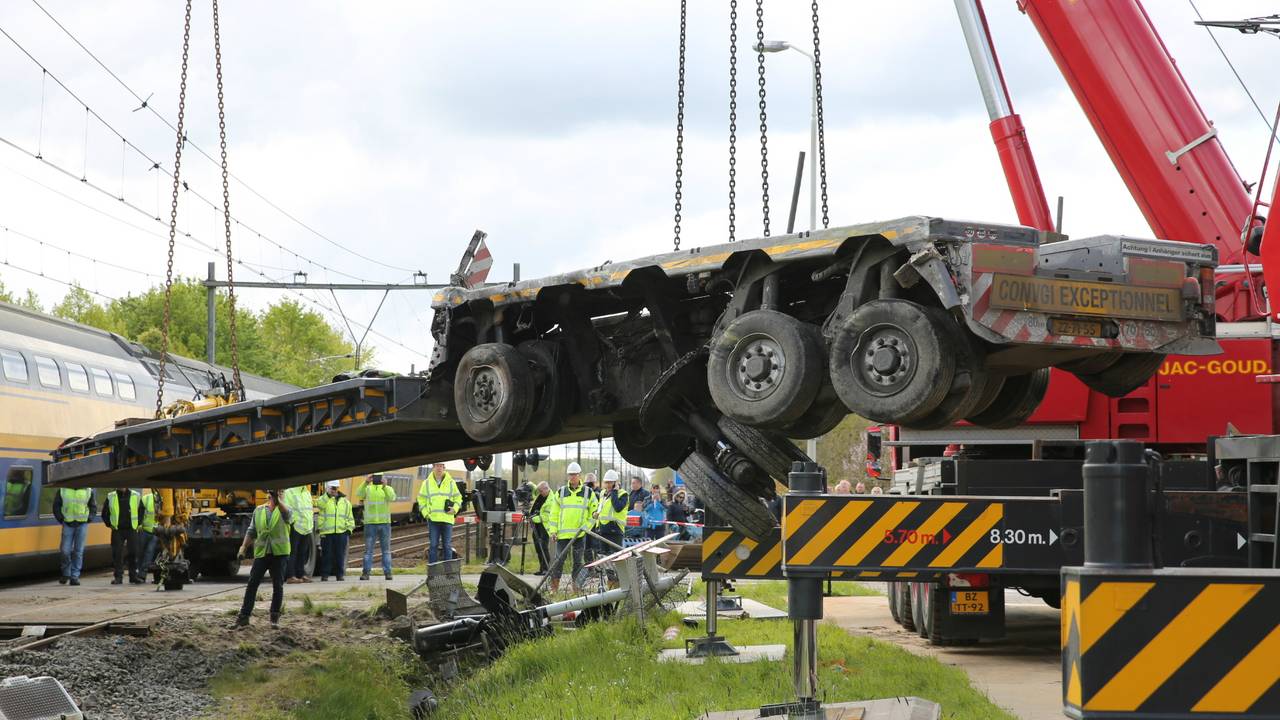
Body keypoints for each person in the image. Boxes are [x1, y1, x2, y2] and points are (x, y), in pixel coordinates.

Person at [234, 490, 292, 628]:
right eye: (276, 493)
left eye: (280, 492)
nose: (279, 495)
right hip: (262, 554)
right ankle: (244, 617)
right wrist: (243, 548)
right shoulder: (259, 510)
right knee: (252, 584)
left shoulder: (286, 510)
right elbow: (252, 531)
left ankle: (274, 618)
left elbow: (287, 516)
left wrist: (278, 501)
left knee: (277, 585)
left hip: (279, 554)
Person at [548, 462, 596, 593]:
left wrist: (586, 528)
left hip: (580, 534)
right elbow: (554, 513)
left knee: (578, 562)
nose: (572, 477)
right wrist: (553, 531)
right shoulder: (561, 492)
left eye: (574, 474)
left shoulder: (588, 492)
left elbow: (594, 513)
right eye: (570, 475)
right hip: (562, 535)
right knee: (559, 561)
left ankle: (576, 588)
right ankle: (554, 588)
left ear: (579, 475)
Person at [418, 462, 462, 564]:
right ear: (433, 468)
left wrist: (455, 509)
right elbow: (421, 499)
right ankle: (433, 570)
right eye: (437, 466)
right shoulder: (426, 483)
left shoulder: (451, 482)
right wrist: (426, 514)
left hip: (447, 519)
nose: (439, 468)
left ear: (444, 468)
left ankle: (448, 570)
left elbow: (458, 498)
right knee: (433, 545)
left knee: (447, 546)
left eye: (441, 466)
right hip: (433, 519)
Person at [53, 487, 96, 586]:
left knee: (78, 551)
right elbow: (56, 506)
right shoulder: (63, 490)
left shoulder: (88, 491)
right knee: (64, 551)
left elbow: (93, 506)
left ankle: (74, 576)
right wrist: (61, 518)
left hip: (82, 524)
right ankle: (66, 573)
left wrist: (89, 518)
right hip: (67, 523)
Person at [358, 473, 397, 580]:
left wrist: (385, 486)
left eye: (379, 477)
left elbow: (392, 497)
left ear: (383, 478)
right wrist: (366, 482)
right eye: (375, 477)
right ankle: (366, 573)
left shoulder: (387, 488)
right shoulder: (367, 488)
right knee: (368, 551)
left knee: (386, 550)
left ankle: (388, 573)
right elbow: (359, 494)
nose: (377, 479)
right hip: (370, 524)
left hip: (384, 523)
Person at [101, 487, 142, 585]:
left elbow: (141, 510)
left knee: (133, 552)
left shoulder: (135, 495)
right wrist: (109, 524)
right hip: (117, 530)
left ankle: (133, 576)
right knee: (117, 553)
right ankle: (118, 577)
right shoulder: (111, 496)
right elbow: (104, 513)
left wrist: (138, 523)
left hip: (131, 528)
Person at [317, 480, 354, 581]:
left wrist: (348, 530)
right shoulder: (323, 499)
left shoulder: (345, 502)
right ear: (327, 487)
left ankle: (339, 575)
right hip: (327, 532)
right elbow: (319, 505)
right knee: (326, 555)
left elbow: (350, 517)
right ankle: (325, 575)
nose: (334, 489)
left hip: (341, 533)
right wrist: (328, 495)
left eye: (335, 487)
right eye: (332, 487)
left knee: (340, 555)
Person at [282, 485, 315, 584]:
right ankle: (290, 576)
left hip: (306, 527)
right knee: (292, 552)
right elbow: (287, 510)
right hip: (296, 527)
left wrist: (310, 524)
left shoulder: (306, 492)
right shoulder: (290, 491)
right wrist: (293, 522)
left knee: (302, 552)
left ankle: (301, 575)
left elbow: (309, 509)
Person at [594, 470, 629, 554]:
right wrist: (595, 513)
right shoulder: (602, 493)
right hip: (602, 529)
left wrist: (614, 492)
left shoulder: (623, 494)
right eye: (606, 482)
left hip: (615, 530)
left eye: (610, 482)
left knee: (615, 556)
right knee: (602, 555)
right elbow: (601, 507)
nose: (608, 485)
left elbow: (617, 507)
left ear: (616, 483)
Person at [134, 489, 162, 582]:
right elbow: (140, 513)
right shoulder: (146, 499)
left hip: (156, 532)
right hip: (144, 530)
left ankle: (142, 575)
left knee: (149, 553)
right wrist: (139, 525)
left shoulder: (166, 499)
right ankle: (139, 572)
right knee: (140, 553)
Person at [529, 481, 554, 575]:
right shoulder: (540, 496)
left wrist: (534, 518)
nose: (539, 492)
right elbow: (533, 490)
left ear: (546, 489)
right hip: (536, 526)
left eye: (541, 491)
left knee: (543, 547)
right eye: (539, 491)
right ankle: (541, 568)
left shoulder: (552, 500)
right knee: (538, 547)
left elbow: (547, 516)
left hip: (545, 526)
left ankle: (546, 569)